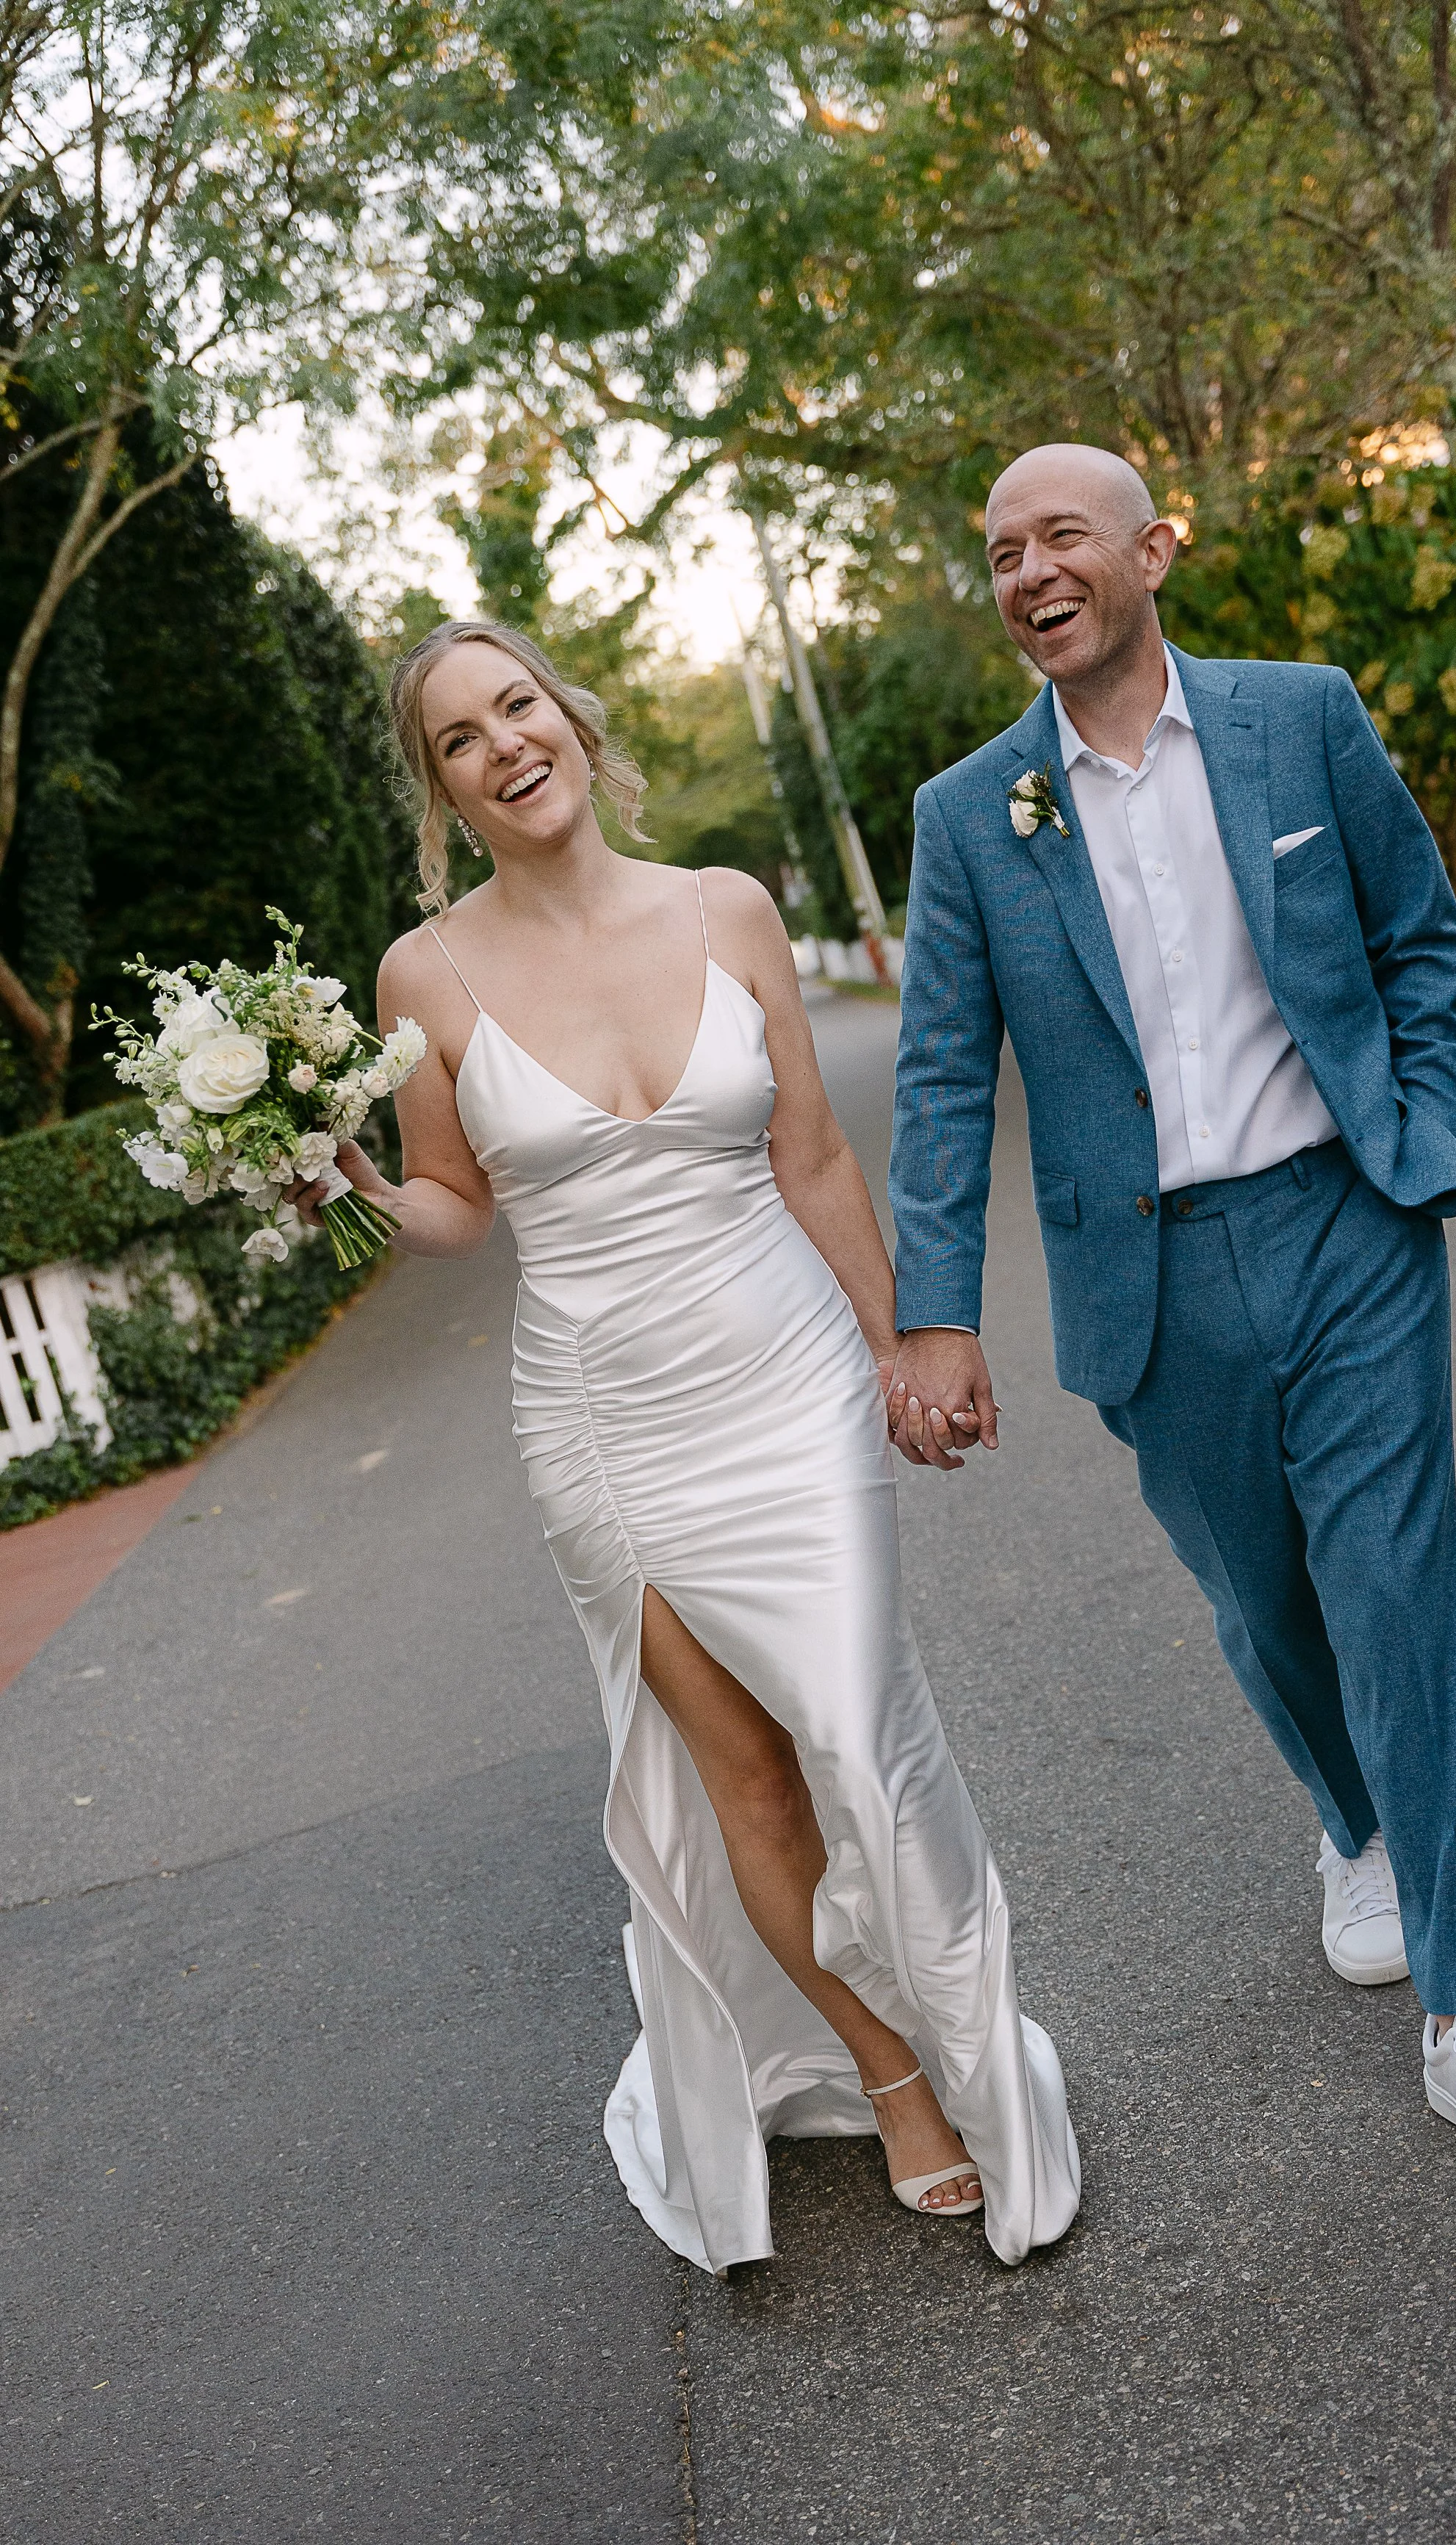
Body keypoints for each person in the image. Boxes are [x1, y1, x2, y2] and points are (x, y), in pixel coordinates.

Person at [298, 619, 1078, 2274]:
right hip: (601, 1422)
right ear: (438, 787)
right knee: (749, 1782)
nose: (504, 742)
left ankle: (967, 2030)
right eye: (457, 737)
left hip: (787, 1383)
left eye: (517, 703)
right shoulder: (421, 974)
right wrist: (356, 1183)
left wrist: (899, 1342)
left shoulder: (727, 907)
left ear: (567, 718)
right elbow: (457, 1201)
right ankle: (885, 2070)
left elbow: (807, 1156)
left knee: (864, 1738)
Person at [886, 444, 1456, 2181]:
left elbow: (1418, 940)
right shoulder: (976, 813)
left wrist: (1423, 1134)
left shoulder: (1299, 717)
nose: (1026, 570)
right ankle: (1348, 1820)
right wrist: (932, 1313)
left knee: (1393, 1593)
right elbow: (937, 1084)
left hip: (1344, 1221)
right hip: (1147, 1271)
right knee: (1259, 1596)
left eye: (1057, 535)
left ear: (1153, 550)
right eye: (997, 552)